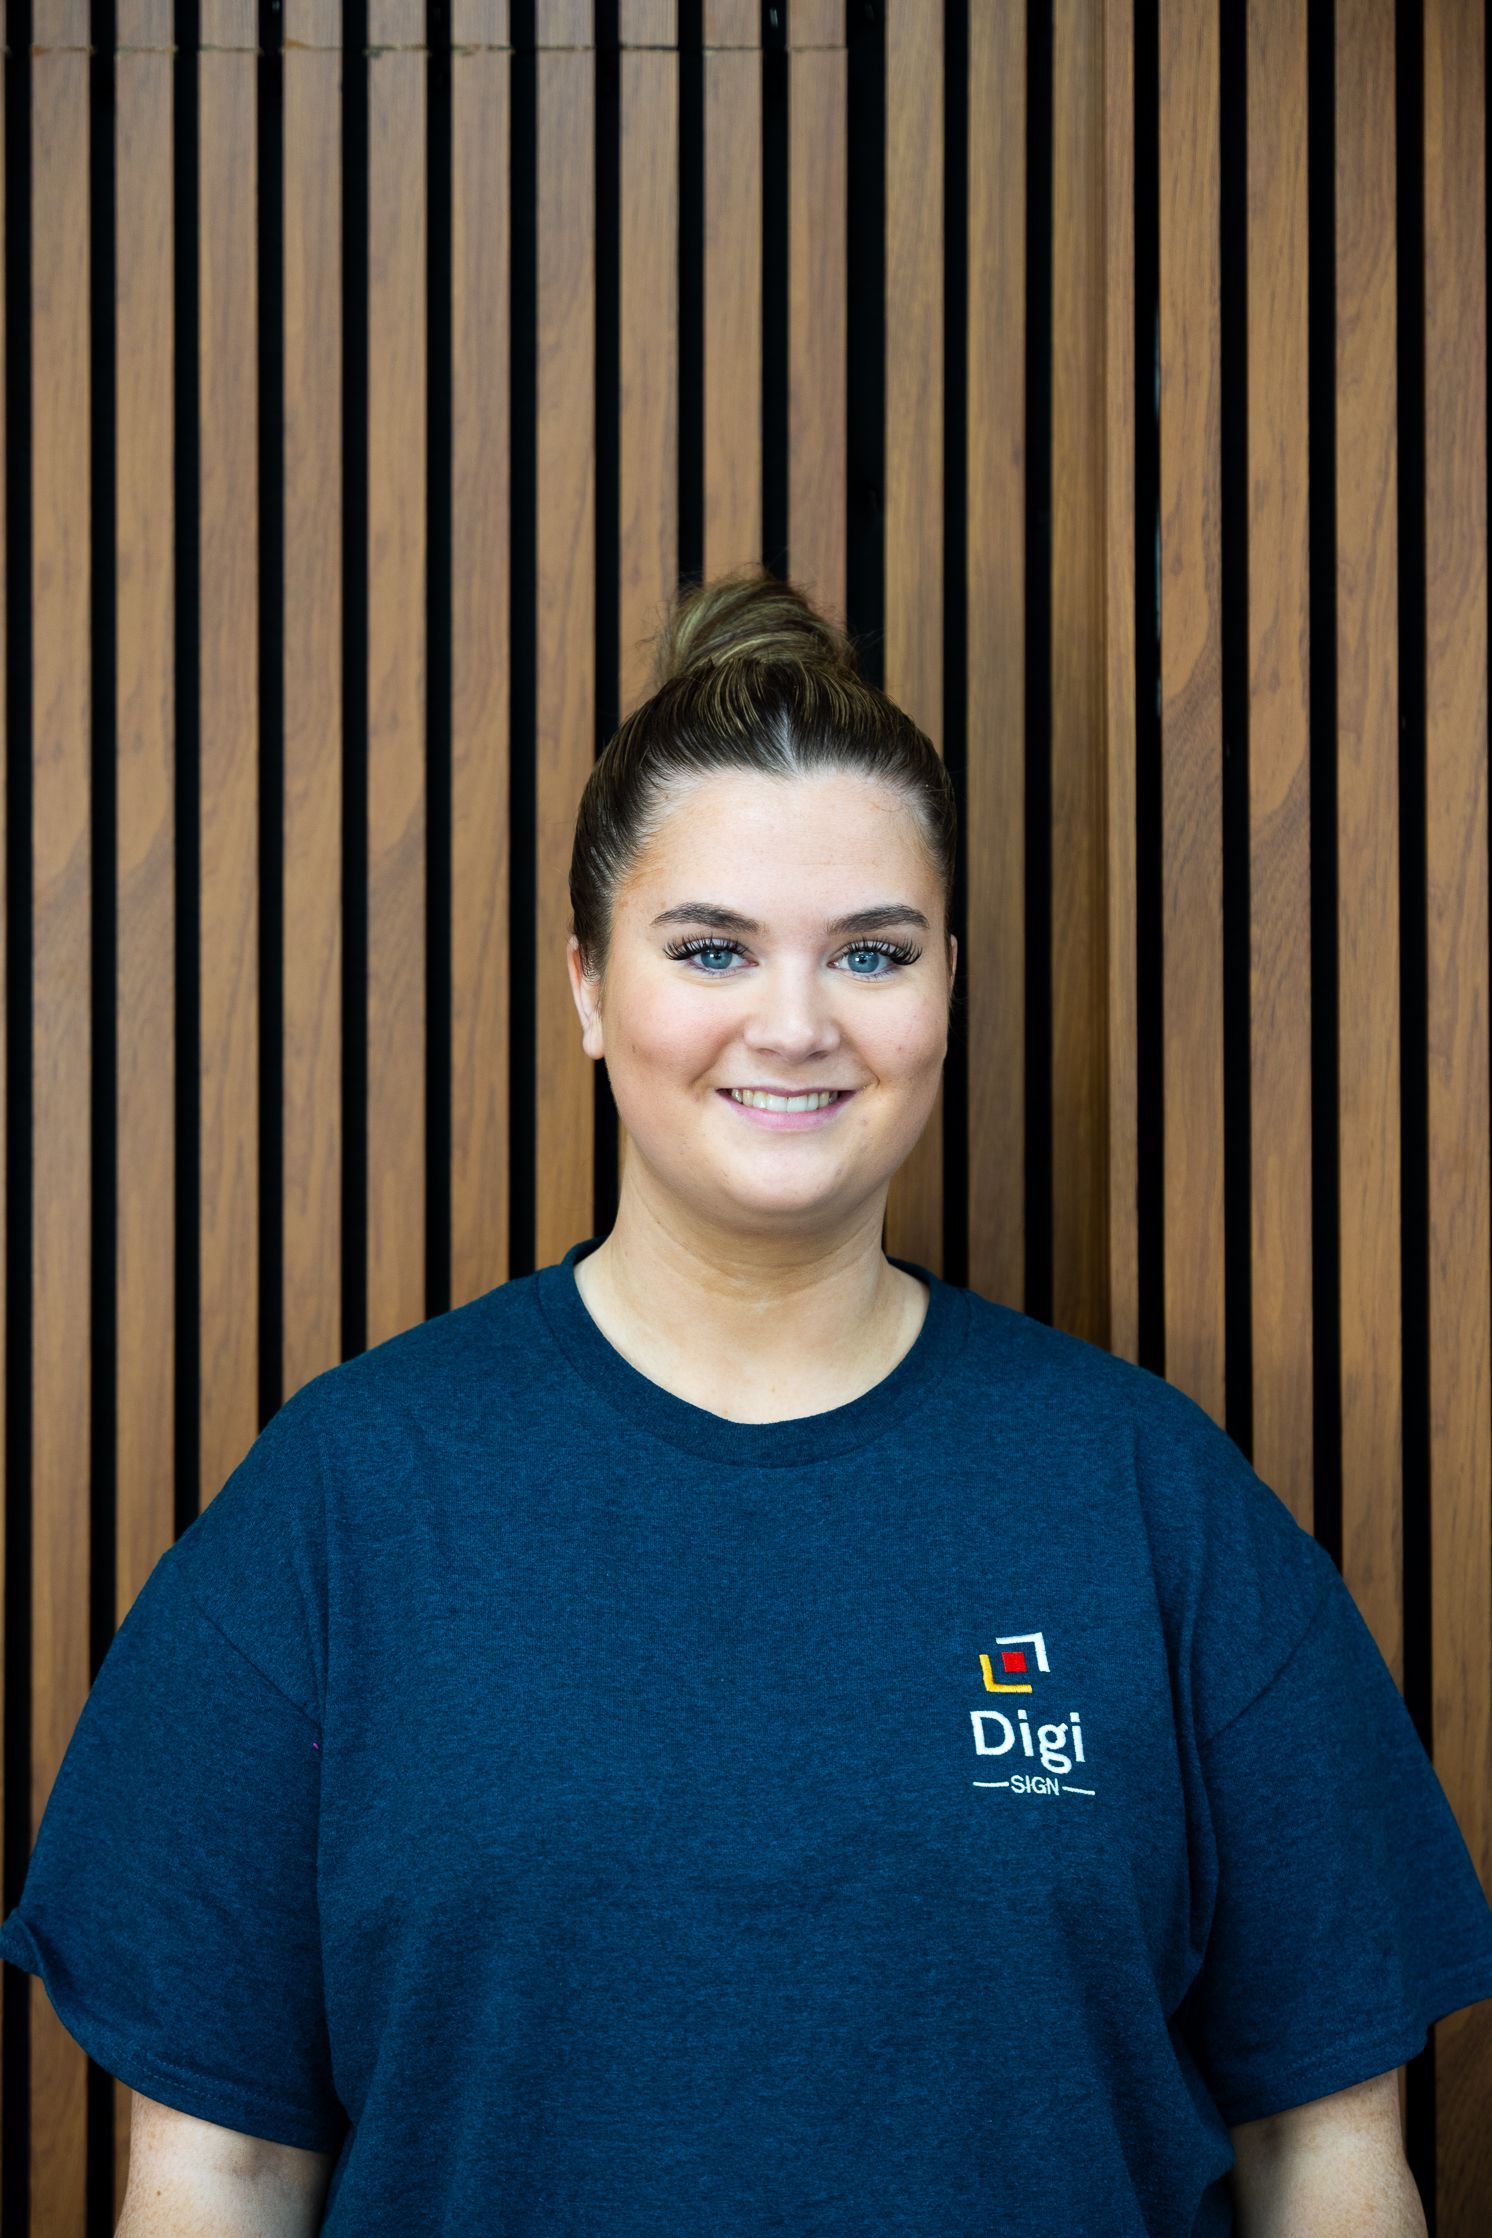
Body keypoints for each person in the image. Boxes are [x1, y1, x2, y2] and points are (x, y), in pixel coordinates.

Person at [2, 565, 1490, 2237]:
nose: (796, 1023)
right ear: (584, 982)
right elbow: (218, 2172)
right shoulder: (349, 1501)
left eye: (873, 950)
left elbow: (1331, 2159)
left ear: (945, 991)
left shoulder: (1146, 1497)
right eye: (711, 945)